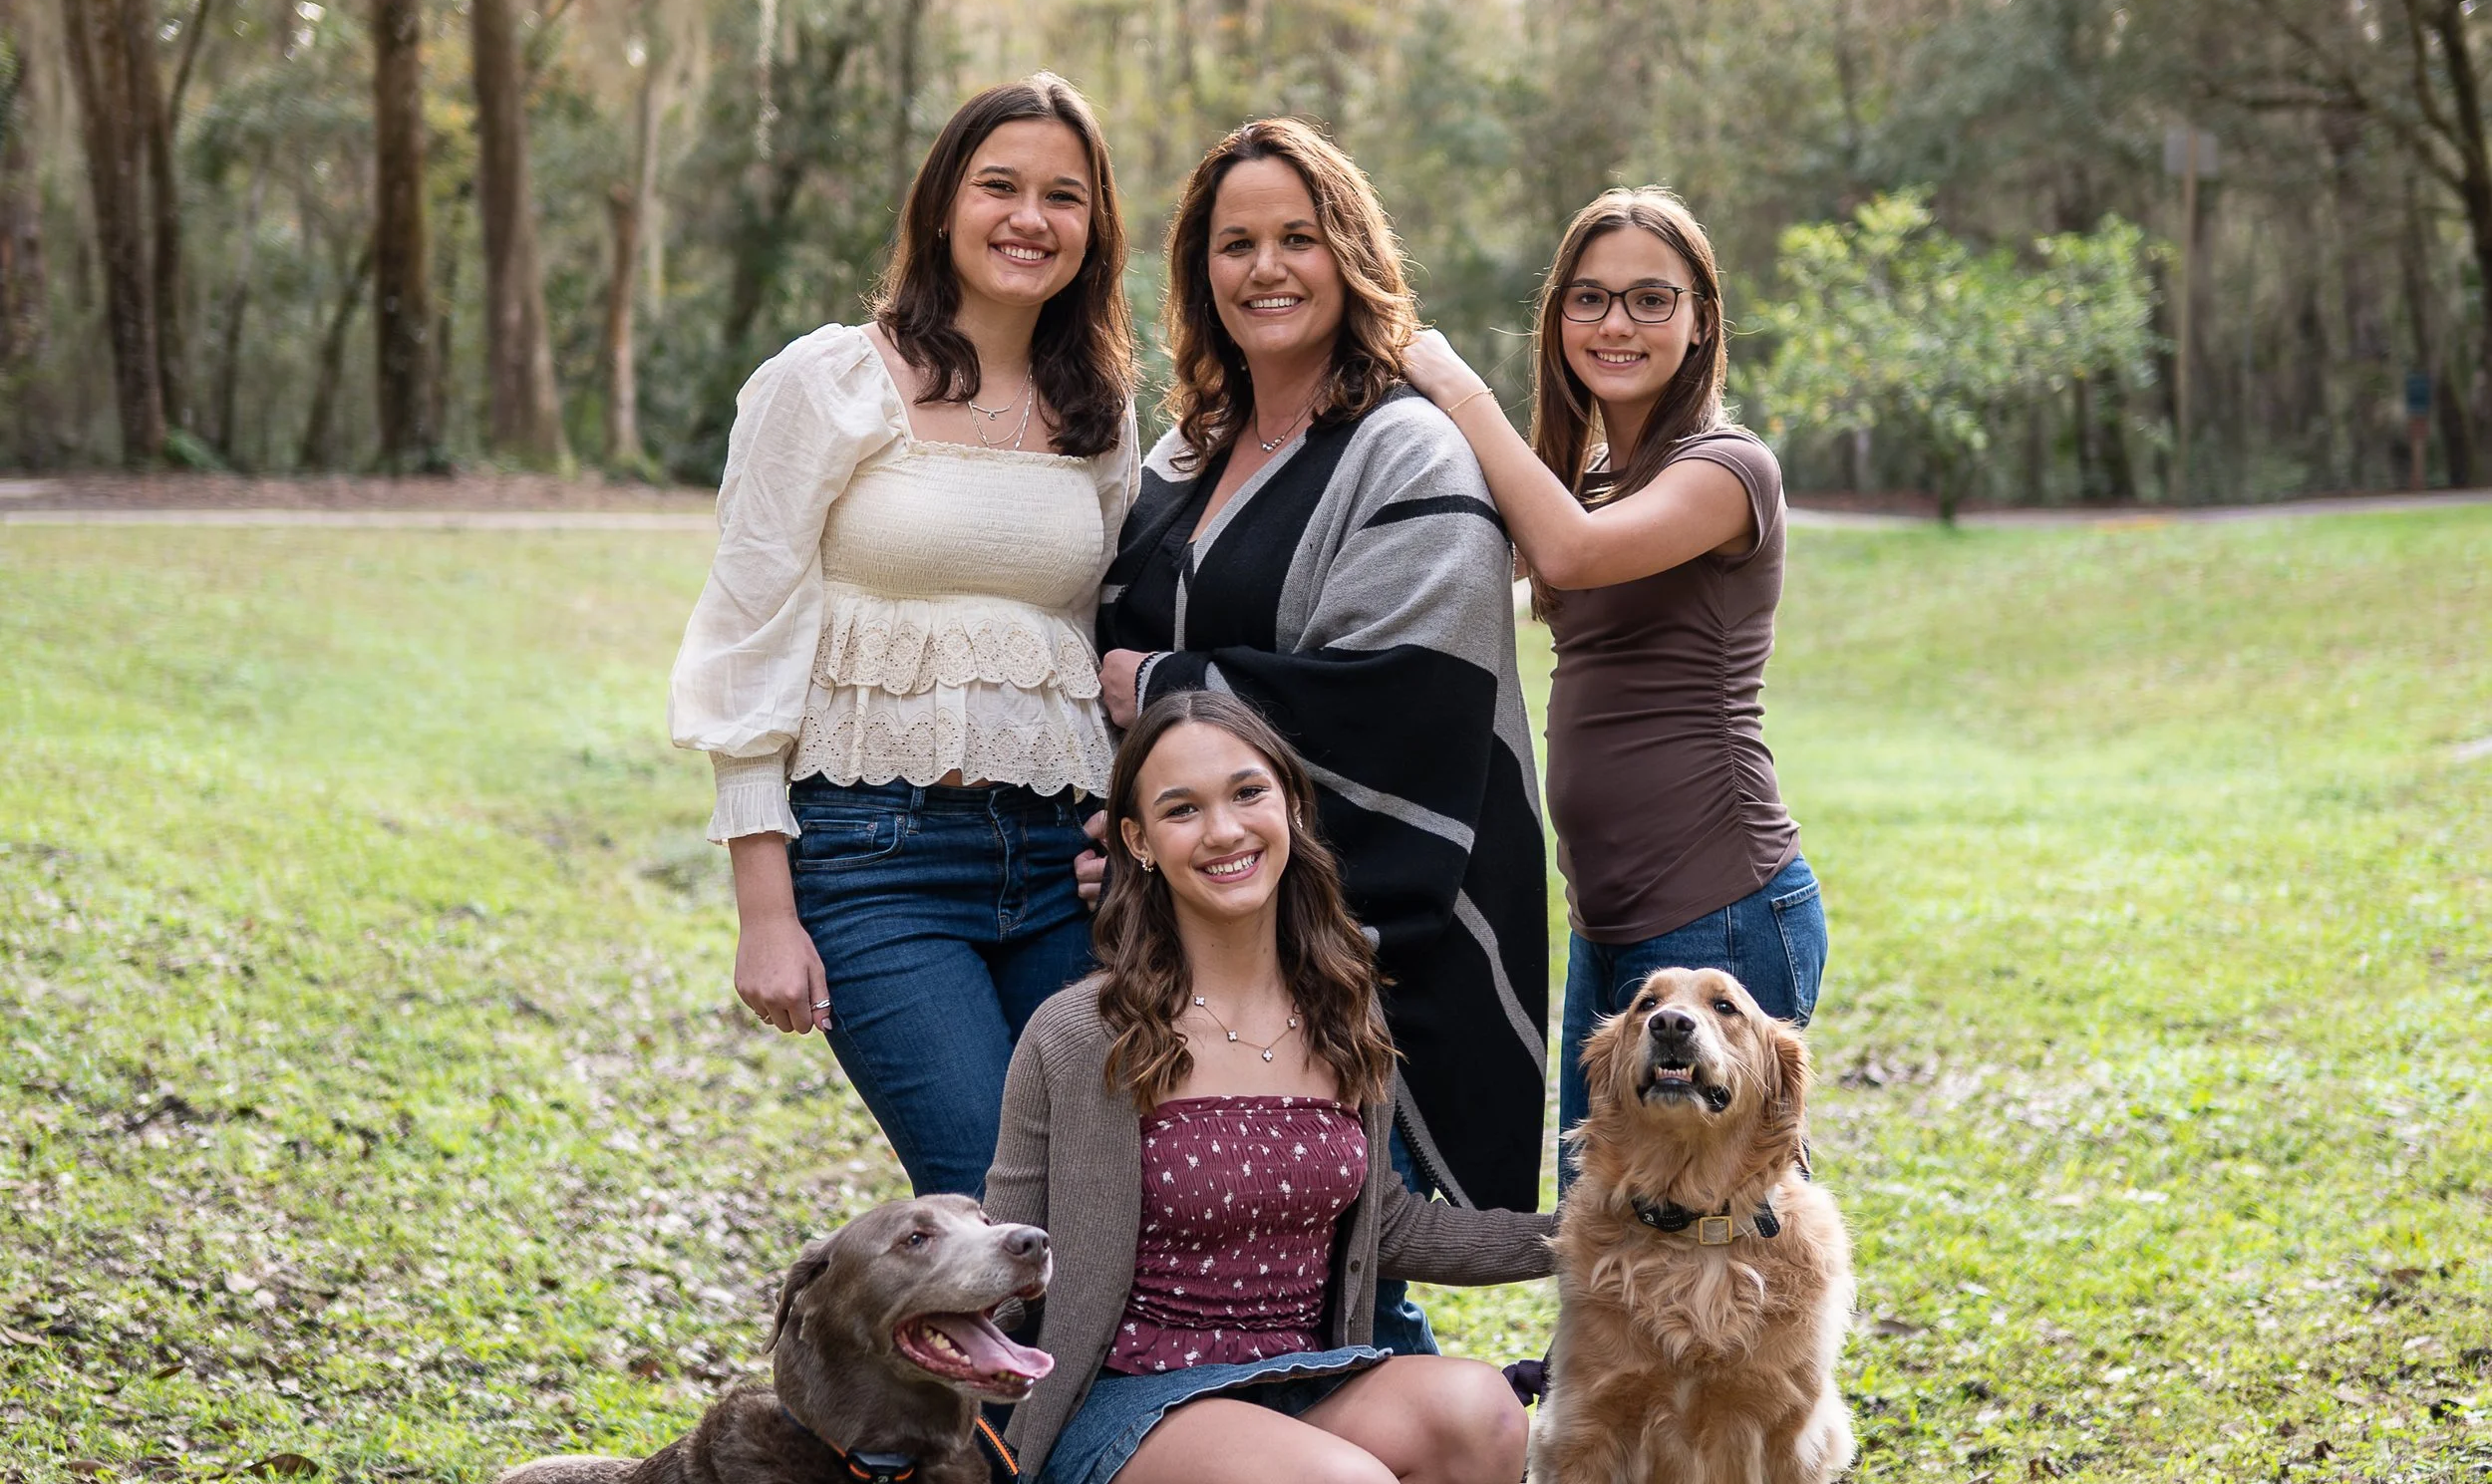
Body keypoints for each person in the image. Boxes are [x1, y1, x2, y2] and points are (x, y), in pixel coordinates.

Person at [990, 692, 1550, 1484]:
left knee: (1484, 1424)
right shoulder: (1080, 1034)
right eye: (1182, 809)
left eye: (1247, 793)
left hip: (1299, 1387)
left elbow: (1388, 1225)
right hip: (1127, 1412)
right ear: (1137, 842)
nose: (1224, 830)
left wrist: (1585, 1234)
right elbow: (1007, 1257)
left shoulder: (1342, 1007)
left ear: (1290, 805)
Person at [667, 75, 1138, 1197]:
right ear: (942, 206)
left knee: (1101, 1195)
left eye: (1063, 196)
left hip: (1058, 869)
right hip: (877, 861)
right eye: (999, 186)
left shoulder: (1101, 411)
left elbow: (1091, 635)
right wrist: (764, 909)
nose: (1030, 218)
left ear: (1094, 229)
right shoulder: (830, 381)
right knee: (988, 1198)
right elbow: (747, 634)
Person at [1096, 116, 1547, 1218]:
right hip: (1174, 952)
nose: (1267, 268)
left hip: (1357, 969)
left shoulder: (1408, 450)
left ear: (1350, 254)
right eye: (1235, 244)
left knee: (1344, 1259)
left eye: (1297, 238)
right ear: (1200, 273)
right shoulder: (1185, 450)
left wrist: (1158, 686)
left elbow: (1403, 706)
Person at [1402, 185, 1826, 1175]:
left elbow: (1574, 554)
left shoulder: (1728, 469)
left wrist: (1457, 388)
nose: (1615, 324)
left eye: (1649, 299)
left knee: (1723, 1214)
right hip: (1605, 920)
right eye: (1588, 299)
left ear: (1700, 320)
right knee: (1606, 1212)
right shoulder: (1586, 479)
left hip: (1720, 912)